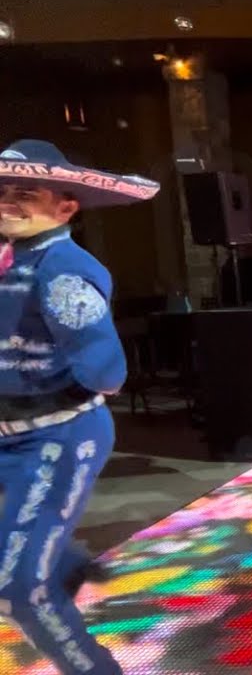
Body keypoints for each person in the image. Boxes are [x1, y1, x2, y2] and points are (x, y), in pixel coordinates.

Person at [0, 139, 160, 675]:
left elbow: (106, 372)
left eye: (25, 193)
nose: (7, 202)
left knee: (17, 587)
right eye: (3, 191)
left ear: (66, 206)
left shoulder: (63, 271)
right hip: (10, 431)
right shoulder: (9, 257)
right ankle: (67, 561)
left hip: (56, 436)